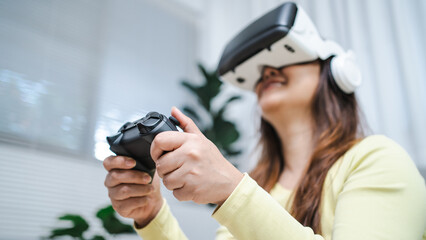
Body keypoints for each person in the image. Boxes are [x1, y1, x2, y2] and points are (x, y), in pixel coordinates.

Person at [102, 2, 426, 240]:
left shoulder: (377, 159)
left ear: (337, 72)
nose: (267, 70)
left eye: (285, 55)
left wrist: (231, 190)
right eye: (259, 69)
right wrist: (152, 215)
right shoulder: (261, 187)